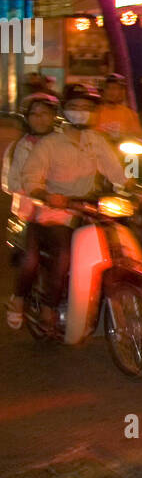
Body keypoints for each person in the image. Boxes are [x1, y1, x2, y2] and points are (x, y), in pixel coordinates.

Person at [20, 83, 127, 332]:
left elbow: (116, 171)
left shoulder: (96, 141)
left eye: (87, 108)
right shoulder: (49, 144)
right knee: (65, 255)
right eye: (75, 107)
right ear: (65, 110)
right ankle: (49, 306)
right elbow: (31, 178)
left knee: (117, 241)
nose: (81, 112)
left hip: (88, 209)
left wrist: (136, 190)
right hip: (55, 213)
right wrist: (45, 194)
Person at [2, 91, 59, 329]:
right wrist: (38, 192)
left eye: (45, 113)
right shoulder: (18, 148)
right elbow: (10, 183)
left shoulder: (66, 142)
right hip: (28, 215)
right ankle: (19, 300)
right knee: (31, 257)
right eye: (34, 114)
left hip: (61, 212)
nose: (39, 119)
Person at [95, 73, 142, 142]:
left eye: (117, 89)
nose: (113, 92)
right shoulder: (95, 111)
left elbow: (136, 135)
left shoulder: (128, 113)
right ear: (102, 91)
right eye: (109, 88)